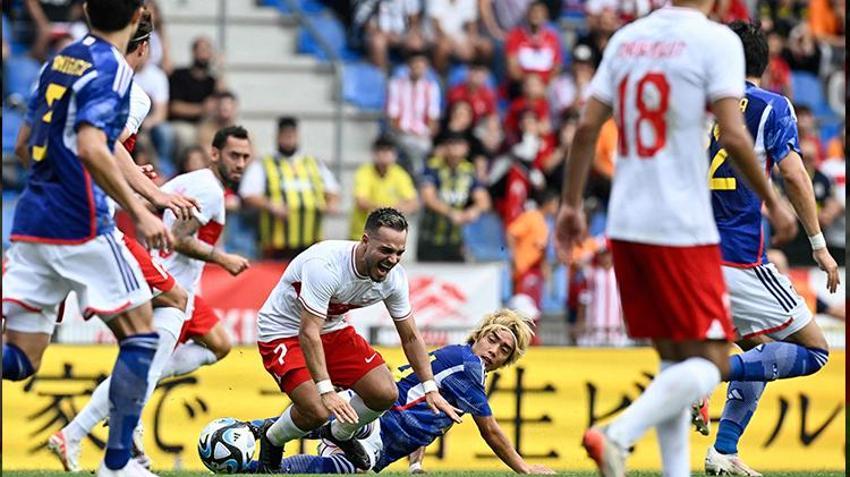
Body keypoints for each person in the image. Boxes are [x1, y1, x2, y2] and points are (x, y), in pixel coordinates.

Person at [552, 1, 797, 476]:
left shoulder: (627, 39)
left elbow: (585, 129)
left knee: (673, 359)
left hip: (624, 223)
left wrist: (569, 205)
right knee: (709, 361)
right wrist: (774, 200)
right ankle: (617, 434)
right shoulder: (716, 41)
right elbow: (733, 134)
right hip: (681, 225)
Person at [2, 1, 174, 476]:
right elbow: (93, 145)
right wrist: (141, 209)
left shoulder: (57, 60)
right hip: (81, 224)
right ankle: (118, 465)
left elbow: (21, 145)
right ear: (140, 14)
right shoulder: (114, 71)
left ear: (83, 9)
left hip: (32, 220)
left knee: (20, 360)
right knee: (144, 335)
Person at [47, 125, 252, 471]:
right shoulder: (211, 191)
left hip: (172, 285)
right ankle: (78, 432)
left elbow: (147, 200)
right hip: (171, 287)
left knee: (218, 344)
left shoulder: (194, 178)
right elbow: (179, 238)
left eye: (246, 157)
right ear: (215, 153)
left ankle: (128, 418)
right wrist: (223, 258)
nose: (241, 163)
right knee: (147, 368)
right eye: (234, 155)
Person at [691, 22, 839, 477]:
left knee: (759, 357)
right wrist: (818, 245)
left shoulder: (698, 108)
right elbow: (794, 175)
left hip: (694, 255)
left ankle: (724, 452)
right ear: (766, 62)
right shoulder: (771, 106)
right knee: (814, 350)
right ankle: (702, 376)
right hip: (739, 257)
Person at [253, 208, 461, 472]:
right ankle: (272, 439)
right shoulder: (325, 264)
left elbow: (410, 335)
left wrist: (430, 387)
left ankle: (339, 434)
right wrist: (327, 390)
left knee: (384, 393)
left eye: (399, 252)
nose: (392, 260)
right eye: (386, 250)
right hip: (283, 331)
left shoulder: (394, 278)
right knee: (316, 410)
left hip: (331, 329)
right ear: (364, 241)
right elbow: (308, 332)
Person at [247, 309, 555, 475]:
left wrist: (416, 465)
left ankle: (250, 434)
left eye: (504, 349)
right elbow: (490, 430)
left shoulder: (456, 359)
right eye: (493, 339)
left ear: (507, 360)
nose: (495, 350)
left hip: (375, 424)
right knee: (350, 461)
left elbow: (423, 415)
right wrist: (524, 469)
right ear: (479, 335)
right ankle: (253, 461)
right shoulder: (468, 366)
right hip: (378, 429)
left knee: (336, 444)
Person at [239, 116, 340, 260]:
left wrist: (331, 203)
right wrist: (271, 205)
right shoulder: (264, 164)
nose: (288, 139)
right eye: (285, 135)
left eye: (291, 135)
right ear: (277, 137)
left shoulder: (313, 163)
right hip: (277, 242)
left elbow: (332, 190)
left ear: (297, 136)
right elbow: (248, 194)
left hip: (310, 240)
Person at [417, 132, 491, 262]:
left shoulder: (468, 170)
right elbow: (428, 198)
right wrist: (451, 213)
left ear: (466, 148)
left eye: (459, 144)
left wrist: (473, 211)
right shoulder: (433, 168)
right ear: (445, 147)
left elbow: (484, 200)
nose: (455, 149)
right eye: (451, 144)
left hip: (456, 241)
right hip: (430, 239)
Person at [349, 135, 418, 240]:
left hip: (389, 237)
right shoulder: (364, 172)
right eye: (381, 150)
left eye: (388, 150)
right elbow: (361, 202)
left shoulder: (400, 174)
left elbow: (413, 203)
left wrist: (385, 211)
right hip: (363, 235)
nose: (384, 154)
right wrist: (390, 212)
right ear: (374, 153)